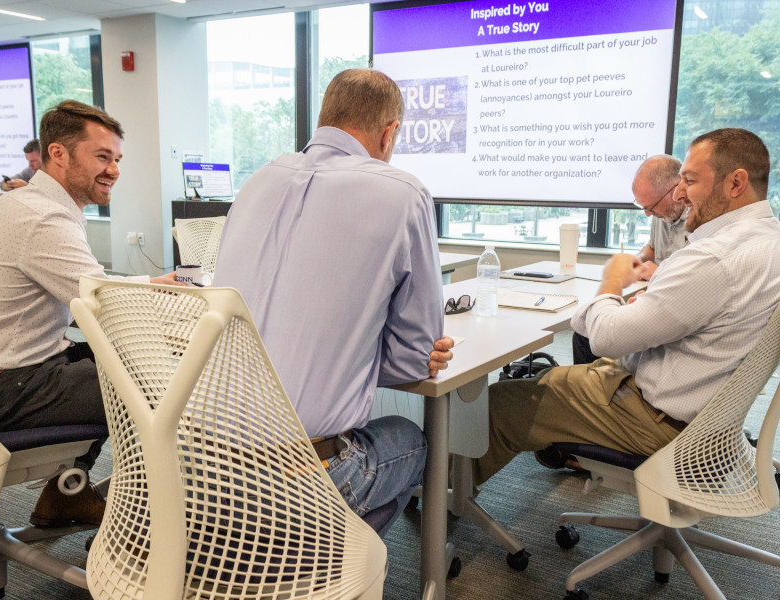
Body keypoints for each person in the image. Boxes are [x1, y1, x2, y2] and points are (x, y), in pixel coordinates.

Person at [214, 69, 454, 537]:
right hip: (297, 478)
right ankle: (335, 564)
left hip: (202, 466)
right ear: (390, 133)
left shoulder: (256, 181)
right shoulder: (403, 193)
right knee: (410, 440)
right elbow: (412, 361)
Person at [474, 128, 780, 487]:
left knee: (502, 401)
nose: (682, 194)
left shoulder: (713, 259)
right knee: (559, 376)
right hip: (710, 420)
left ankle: (442, 498)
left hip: (661, 423)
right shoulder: (768, 241)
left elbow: (604, 337)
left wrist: (612, 283)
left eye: (691, 181)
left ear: (736, 183)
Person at [0, 100, 177, 528]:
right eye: (102, 157)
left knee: (120, 364)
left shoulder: (32, 204)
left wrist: (155, 287)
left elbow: (86, 291)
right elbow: (105, 303)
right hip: (3, 386)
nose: (114, 170)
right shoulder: (42, 215)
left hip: (13, 368)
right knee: (158, 388)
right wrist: (174, 295)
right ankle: (145, 531)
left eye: (117, 159)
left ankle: (66, 493)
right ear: (59, 154)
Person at [572, 154, 688, 364]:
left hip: (673, 306)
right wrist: (635, 260)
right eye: (643, 207)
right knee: (585, 330)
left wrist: (658, 273)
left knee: (597, 333)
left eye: (651, 207)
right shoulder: (661, 212)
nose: (647, 214)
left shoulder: (699, 222)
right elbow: (652, 248)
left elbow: (692, 279)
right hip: (653, 296)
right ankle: (595, 382)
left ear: (675, 191)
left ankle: (601, 386)